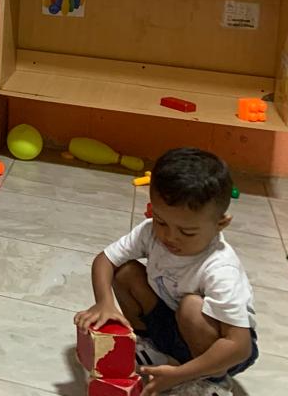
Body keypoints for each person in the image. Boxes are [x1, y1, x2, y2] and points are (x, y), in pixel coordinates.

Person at [74, 148, 258, 396]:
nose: (169, 236)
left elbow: (239, 347)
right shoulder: (150, 232)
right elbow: (105, 260)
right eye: (161, 221)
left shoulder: (221, 269)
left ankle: (211, 381)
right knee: (125, 271)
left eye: (187, 232)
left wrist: (179, 375)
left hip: (222, 349)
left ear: (220, 224)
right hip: (172, 322)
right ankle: (152, 348)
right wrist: (104, 303)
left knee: (191, 307)